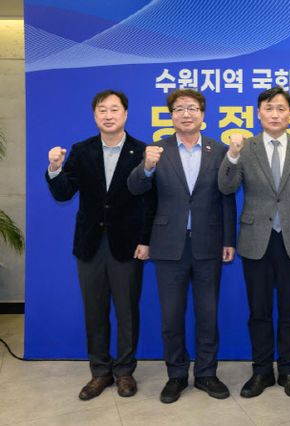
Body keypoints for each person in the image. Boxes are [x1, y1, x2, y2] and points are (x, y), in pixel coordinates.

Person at [127, 88, 236, 404]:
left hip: (208, 243)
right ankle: (176, 375)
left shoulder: (220, 150)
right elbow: (136, 189)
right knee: (171, 316)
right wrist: (146, 167)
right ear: (171, 115)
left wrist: (228, 239)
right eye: (179, 109)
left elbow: (226, 197)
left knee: (207, 314)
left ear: (202, 114)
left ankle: (206, 373)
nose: (186, 114)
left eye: (192, 108)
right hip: (168, 245)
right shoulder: (157, 150)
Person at [45, 89, 154, 400]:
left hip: (127, 244)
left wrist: (146, 240)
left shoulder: (142, 151)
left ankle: (124, 372)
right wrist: (55, 169)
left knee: (127, 311)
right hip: (90, 243)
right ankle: (100, 371)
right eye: (102, 110)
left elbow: (151, 201)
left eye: (114, 109)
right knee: (94, 311)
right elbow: (64, 193)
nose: (108, 115)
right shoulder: (82, 150)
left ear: (126, 114)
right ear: (94, 116)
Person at [218, 86, 290, 399]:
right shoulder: (245, 147)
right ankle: (261, 371)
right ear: (259, 113)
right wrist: (232, 154)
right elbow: (226, 186)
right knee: (259, 311)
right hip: (256, 240)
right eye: (268, 108)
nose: (275, 114)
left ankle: (289, 371)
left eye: (281, 108)